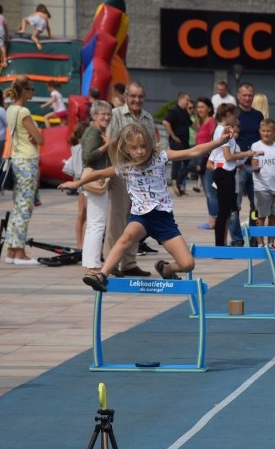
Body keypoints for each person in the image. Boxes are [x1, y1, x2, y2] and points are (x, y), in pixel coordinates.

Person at [57, 122, 236, 292]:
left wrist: (220, 141)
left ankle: (166, 269)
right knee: (125, 238)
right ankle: (102, 275)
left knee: (188, 264)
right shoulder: (125, 167)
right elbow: (99, 173)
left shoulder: (160, 157)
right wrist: (76, 183)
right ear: (127, 149)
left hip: (163, 218)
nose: (140, 151)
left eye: (143, 146)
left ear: (149, 144)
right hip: (141, 218)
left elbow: (194, 151)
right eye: (134, 148)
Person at [106, 82, 156, 276]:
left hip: (142, 176)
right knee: (117, 220)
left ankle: (129, 263)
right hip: (122, 173)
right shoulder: (117, 114)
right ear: (126, 96)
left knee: (137, 220)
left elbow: (151, 145)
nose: (137, 100)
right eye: (133, 96)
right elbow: (112, 144)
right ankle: (111, 265)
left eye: (140, 96)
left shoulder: (148, 117)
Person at [2, 76, 44, 265]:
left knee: (17, 206)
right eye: (32, 89)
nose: (33, 93)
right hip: (28, 160)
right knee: (24, 208)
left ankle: (11, 250)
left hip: (16, 158)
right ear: (25, 90)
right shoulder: (24, 111)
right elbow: (39, 137)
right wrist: (36, 136)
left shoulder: (10, 109)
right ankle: (19, 253)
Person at [211, 103, 263, 247]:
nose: (236, 119)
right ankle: (220, 244)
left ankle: (222, 242)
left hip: (228, 172)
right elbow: (228, 156)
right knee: (223, 211)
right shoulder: (223, 131)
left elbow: (230, 155)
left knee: (227, 211)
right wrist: (246, 154)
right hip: (224, 173)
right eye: (234, 116)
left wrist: (245, 156)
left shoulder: (223, 130)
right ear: (227, 115)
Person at [79, 101, 113, 276]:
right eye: (102, 114)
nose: (106, 117)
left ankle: (90, 262)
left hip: (95, 179)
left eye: (108, 114)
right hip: (95, 179)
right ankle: (92, 265)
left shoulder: (94, 130)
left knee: (95, 223)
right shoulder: (93, 132)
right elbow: (88, 156)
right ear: (94, 116)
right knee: (97, 224)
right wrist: (107, 145)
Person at [227, 82, 264, 245]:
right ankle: (236, 239)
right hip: (237, 167)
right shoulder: (233, 115)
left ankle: (254, 236)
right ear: (238, 95)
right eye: (244, 95)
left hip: (255, 165)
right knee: (235, 206)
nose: (247, 98)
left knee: (255, 206)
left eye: (250, 95)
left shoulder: (258, 116)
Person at [250, 118, 275, 253]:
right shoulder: (255, 146)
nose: (266, 133)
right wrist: (256, 168)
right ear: (260, 131)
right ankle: (261, 244)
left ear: (274, 132)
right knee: (261, 216)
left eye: (269, 131)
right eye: (264, 131)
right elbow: (254, 163)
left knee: (273, 216)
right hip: (261, 187)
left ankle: (271, 244)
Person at [62, 122, 89, 250]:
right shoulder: (84, 148)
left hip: (80, 184)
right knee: (89, 216)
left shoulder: (75, 148)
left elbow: (72, 169)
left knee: (81, 215)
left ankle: (79, 244)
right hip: (87, 182)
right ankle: (85, 245)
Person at [192, 97, 217, 229]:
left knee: (210, 191)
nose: (199, 109)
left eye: (202, 107)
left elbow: (213, 139)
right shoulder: (202, 123)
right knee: (207, 192)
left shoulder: (211, 122)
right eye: (198, 107)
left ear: (209, 108)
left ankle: (214, 220)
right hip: (201, 160)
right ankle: (211, 218)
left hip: (208, 159)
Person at [162, 92, 194, 196]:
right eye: (187, 100)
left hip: (185, 142)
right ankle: (175, 179)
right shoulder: (174, 111)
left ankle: (178, 183)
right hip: (176, 141)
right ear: (181, 99)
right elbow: (165, 122)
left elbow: (192, 124)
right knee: (178, 161)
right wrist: (173, 135)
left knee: (189, 163)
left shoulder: (184, 112)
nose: (189, 103)